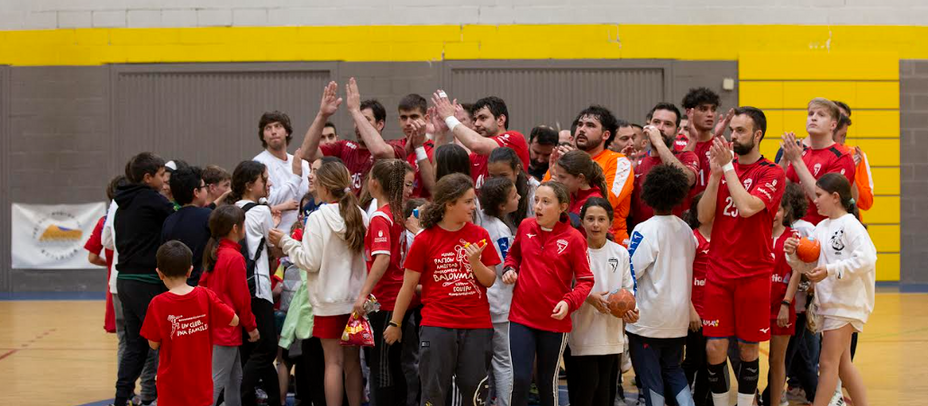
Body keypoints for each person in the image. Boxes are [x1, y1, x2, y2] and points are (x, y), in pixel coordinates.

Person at [696, 107, 786, 406]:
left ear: (757, 135)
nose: (732, 136)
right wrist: (714, 177)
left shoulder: (771, 172)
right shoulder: (724, 168)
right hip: (719, 270)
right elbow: (703, 218)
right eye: (731, 130)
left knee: (748, 349)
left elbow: (748, 207)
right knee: (714, 347)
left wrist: (729, 171)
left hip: (754, 272)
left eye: (740, 131)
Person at [383, 173, 500, 406]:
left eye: (472, 200)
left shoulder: (480, 235)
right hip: (437, 325)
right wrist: (395, 324)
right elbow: (407, 287)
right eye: (467, 201)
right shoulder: (425, 239)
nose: (473, 206)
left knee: (474, 390)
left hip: (476, 325)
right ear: (449, 203)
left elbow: (489, 280)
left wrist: (475, 263)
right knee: (433, 390)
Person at [270, 159, 369, 406]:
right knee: (352, 363)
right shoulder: (360, 214)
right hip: (355, 300)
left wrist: (286, 242)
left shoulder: (317, 218)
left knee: (332, 363)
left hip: (327, 302)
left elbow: (309, 261)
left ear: (324, 187)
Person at [785, 173, 875, 406]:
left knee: (826, 363)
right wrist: (793, 253)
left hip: (846, 303)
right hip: (831, 304)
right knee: (843, 366)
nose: (814, 200)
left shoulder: (851, 225)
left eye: (818, 195)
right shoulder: (821, 228)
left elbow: (867, 259)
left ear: (835, 197)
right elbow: (810, 266)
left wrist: (831, 270)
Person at [502, 181, 595, 406]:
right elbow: (513, 256)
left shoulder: (574, 239)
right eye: (536, 201)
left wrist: (569, 302)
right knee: (521, 378)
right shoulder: (525, 227)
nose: (538, 207)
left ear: (562, 206)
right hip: (521, 317)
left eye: (546, 202)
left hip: (554, 322)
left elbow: (585, 281)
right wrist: (509, 269)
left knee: (546, 381)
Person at [625, 164, 696, 406]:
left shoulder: (644, 229)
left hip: (648, 320)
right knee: (674, 372)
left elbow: (631, 272)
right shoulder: (687, 230)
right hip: (677, 320)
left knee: (651, 380)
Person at [140, 241, 239, 406]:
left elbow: (153, 344)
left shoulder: (158, 303)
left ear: (160, 273)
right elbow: (234, 320)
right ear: (190, 270)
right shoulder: (205, 295)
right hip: (201, 386)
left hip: (171, 388)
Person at [112, 152, 175, 406]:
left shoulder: (122, 202)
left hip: (124, 280)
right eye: (161, 176)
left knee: (135, 346)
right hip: (145, 281)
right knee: (165, 341)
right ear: (148, 178)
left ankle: (121, 398)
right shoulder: (152, 200)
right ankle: (166, 397)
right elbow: (178, 214)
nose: (165, 181)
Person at [350, 159, 413, 406]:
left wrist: (363, 295)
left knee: (382, 365)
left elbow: (383, 258)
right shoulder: (397, 213)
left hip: (384, 299)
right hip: (394, 296)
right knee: (391, 363)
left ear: (374, 183)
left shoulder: (380, 217)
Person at [565, 198, 634, 406]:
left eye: (601, 219)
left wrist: (632, 311)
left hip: (611, 333)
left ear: (610, 223)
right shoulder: (574, 250)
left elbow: (628, 289)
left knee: (605, 393)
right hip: (581, 332)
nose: (596, 224)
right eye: (591, 219)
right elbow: (564, 288)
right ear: (582, 222)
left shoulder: (620, 253)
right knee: (587, 387)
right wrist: (589, 298)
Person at [229, 160, 282, 406]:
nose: (268, 183)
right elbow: (275, 247)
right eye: (264, 179)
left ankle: (271, 399)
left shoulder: (229, 210)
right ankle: (243, 393)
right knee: (268, 347)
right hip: (258, 286)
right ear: (251, 185)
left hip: (236, 288)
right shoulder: (261, 212)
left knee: (250, 349)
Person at [198, 205, 261, 406]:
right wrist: (251, 326)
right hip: (225, 328)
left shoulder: (217, 252)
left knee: (235, 378)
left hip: (220, 326)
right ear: (236, 228)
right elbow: (242, 298)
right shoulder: (233, 257)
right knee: (217, 382)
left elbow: (202, 285)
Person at [299, 79, 405, 195]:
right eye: (356, 120)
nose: (358, 125)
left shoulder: (396, 147)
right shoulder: (344, 147)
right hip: (347, 212)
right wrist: (322, 115)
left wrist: (355, 111)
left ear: (380, 124)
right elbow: (306, 153)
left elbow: (379, 151)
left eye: (365, 119)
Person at [547, 106, 635, 244]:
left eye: (590, 125)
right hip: (563, 243)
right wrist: (555, 178)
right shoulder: (564, 162)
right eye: (580, 124)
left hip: (609, 246)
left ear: (605, 135)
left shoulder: (618, 162)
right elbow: (543, 201)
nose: (582, 129)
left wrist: (576, 172)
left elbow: (606, 202)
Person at [476, 176, 520, 406]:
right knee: (503, 361)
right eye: (514, 196)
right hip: (499, 305)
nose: (520, 197)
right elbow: (507, 267)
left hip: (482, 304)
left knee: (482, 362)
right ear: (502, 205)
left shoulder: (476, 219)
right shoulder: (501, 229)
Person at [780, 98, 856, 225]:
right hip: (795, 231)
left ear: (833, 125)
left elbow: (823, 201)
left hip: (825, 232)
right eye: (811, 114)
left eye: (821, 115)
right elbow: (779, 188)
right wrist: (785, 159)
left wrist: (796, 160)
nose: (813, 118)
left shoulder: (842, 157)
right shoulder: (801, 152)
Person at [431, 92, 530, 188]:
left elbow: (476, 144)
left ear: (500, 120)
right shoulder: (475, 157)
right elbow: (438, 173)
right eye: (475, 119)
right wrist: (441, 134)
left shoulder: (514, 138)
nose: (477, 124)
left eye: (483, 118)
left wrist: (449, 118)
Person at [761, 185, 804, 406]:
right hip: (756, 305)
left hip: (781, 306)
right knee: (743, 354)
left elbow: (797, 271)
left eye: (778, 210)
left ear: (785, 212)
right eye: (769, 209)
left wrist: (787, 303)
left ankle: (775, 402)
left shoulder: (793, 237)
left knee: (777, 360)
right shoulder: (756, 234)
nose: (774, 214)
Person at [630, 103, 699, 226]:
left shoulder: (686, 156)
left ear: (677, 131)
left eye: (667, 124)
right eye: (656, 122)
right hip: (643, 235)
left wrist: (659, 143)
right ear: (649, 125)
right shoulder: (636, 161)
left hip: (677, 235)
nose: (660, 128)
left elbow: (687, 179)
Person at [254, 110, 311, 230]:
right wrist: (295, 177)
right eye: (268, 128)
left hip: (306, 232)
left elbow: (309, 196)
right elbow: (265, 202)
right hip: (277, 233)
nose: (273, 132)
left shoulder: (302, 163)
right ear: (263, 136)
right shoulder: (258, 163)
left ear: (287, 132)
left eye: (278, 126)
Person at [682, 192, 713, 406]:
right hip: (695, 312)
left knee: (710, 363)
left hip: (716, 311)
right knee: (694, 360)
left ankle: (701, 400)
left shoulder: (724, 237)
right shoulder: (692, 238)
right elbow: (681, 275)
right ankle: (680, 399)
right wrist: (691, 309)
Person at [161, 166, 212, 286]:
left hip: (175, 287)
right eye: (204, 187)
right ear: (196, 192)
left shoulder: (169, 220)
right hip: (201, 286)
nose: (207, 190)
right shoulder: (208, 216)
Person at [678, 87, 733, 197]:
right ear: (689, 112)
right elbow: (678, 176)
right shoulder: (677, 143)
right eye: (703, 109)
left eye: (713, 109)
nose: (710, 114)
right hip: (683, 210)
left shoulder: (723, 144)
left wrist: (717, 139)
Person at [394, 93, 437, 199]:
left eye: (414, 117)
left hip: (423, 212)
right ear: (399, 120)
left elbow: (433, 188)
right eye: (404, 118)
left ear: (426, 119)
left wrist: (418, 147)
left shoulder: (435, 149)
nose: (408, 123)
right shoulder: (394, 147)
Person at [551, 150, 608, 227]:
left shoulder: (594, 201)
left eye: (562, 177)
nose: (557, 180)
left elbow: (568, 225)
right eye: (556, 176)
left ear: (580, 178)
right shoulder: (570, 193)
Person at [488, 147, 538, 228]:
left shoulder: (535, 192)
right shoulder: (488, 192)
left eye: (503, 176)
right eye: (493, 176)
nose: (498, 182)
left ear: (517, 170)